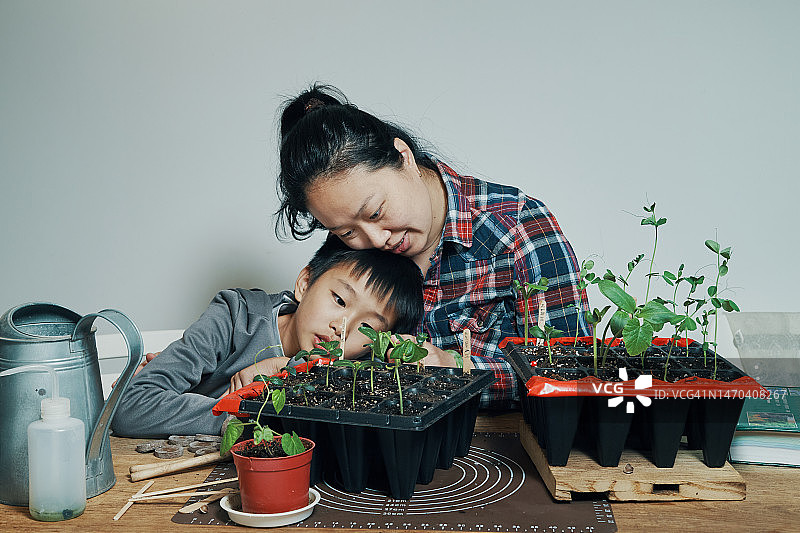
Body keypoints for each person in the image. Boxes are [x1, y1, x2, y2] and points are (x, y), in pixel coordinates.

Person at [276, 84, 589, 409]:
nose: (375, 240)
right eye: (346, 230)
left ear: (404, 157)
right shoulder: (349, 252)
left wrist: (458, 373)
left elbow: (572, 370)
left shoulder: (516, 228)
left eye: (376, 212)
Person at [111, 236, 423, 438]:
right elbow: (131, 407)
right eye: (339, 300)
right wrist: (249, 410)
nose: (341, 328)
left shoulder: (358, 367)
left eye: (367, 327)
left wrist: (290, 371)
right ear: (305, 283)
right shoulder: (235, 317)